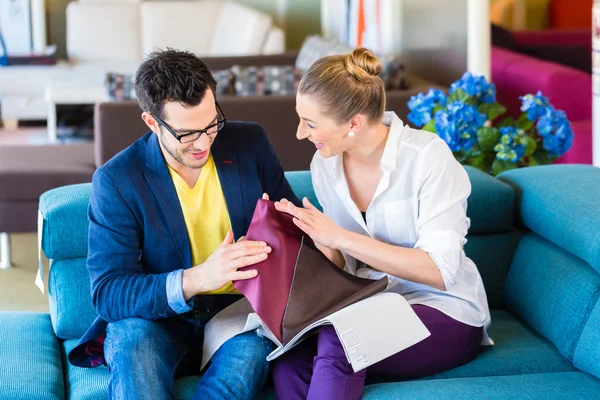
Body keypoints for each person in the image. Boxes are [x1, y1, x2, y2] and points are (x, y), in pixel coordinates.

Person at [66, 49, 300, 400]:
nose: (204, 142)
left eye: (211, 125)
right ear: (151, 122)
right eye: (188, 134)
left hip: (240, 316)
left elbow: (291, 227)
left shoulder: (250, 144)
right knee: (131, 341)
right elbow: (109, 293)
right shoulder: (118, 180)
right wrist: (199, 278)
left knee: (238, 374)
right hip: (158, 322)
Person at [272, 47, 492, 400]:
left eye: (311, 124)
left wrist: (341, 237)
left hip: (443, 309)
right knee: (291, 357)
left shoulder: (427, 158)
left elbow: (441, 271)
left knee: (343, 340)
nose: (300, 134)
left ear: (354, 123)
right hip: (370, 304)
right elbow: (346, 266)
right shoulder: (324, 166)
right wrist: (318, 239)